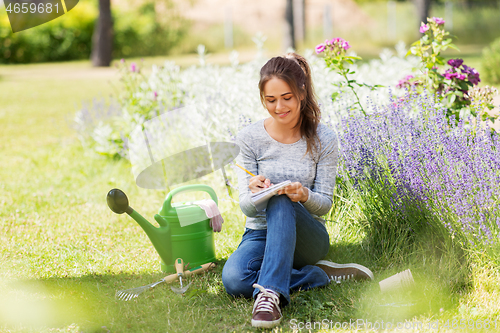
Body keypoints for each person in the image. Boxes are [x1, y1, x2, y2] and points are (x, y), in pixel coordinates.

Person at [221, 52, 374, 329]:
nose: (279, 107)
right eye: (270, 100)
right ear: (262, 99)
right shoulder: (248, 138)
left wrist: (303, 195)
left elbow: (325, 204)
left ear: (301, 92)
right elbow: (246, 207)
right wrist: (255, 193)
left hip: (307, 238)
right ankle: (318, 275)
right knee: (235, 280)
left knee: (280, 201)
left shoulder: (324, 138)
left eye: (286, 97)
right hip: (260, 234)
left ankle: (269, 296)